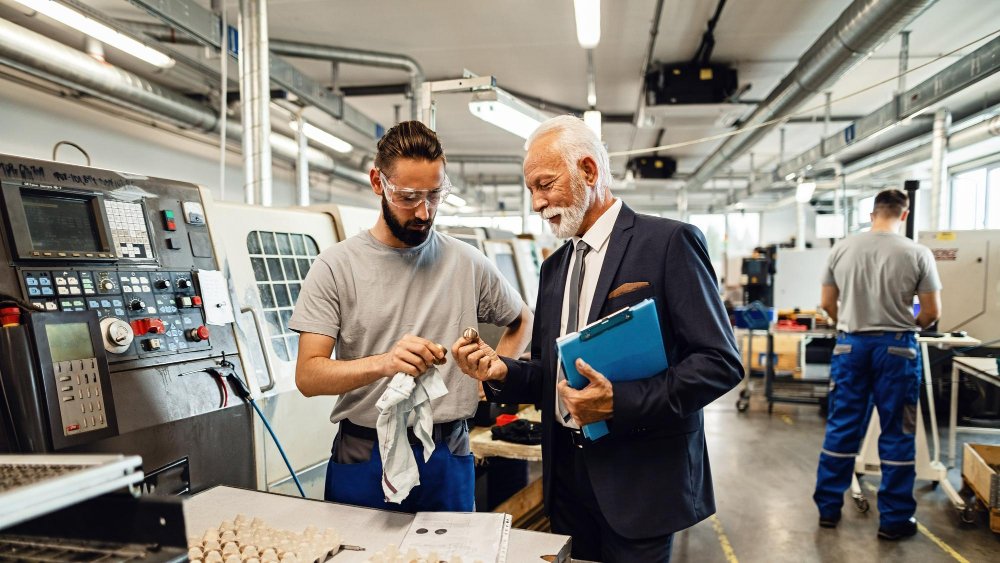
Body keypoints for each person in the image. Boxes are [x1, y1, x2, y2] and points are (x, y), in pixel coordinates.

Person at [452, 115, 743, 563]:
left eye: (545, 185)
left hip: (640, 482)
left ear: (588, 171)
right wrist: (502, 371)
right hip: (568, 482)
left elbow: (719, 362)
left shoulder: (668, 243)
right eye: (530, 189)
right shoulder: (554, 268)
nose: (537, 202)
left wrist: (618, 402)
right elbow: (554, 373)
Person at [289, 120, 532, 512]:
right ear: (377, 182)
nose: (424, 211)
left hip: (446, 451)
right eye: (408, 196)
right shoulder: (335, 267)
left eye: (435, 195)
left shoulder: (465, 261)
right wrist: (384, 364)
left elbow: (522, 318)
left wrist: (494, 374)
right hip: (365, 453)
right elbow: (309, 375)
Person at [813, 188, 941, 539]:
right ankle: (895, 521)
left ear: (872, 213)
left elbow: (826, 302)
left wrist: (851, 325)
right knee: (897, 433)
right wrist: (904, 325)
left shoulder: (842, 247)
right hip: (897, 350)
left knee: (842, 427)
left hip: (850, 347)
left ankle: (828, 510)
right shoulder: (917, 252)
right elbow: (931, 313)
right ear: (904, 214)